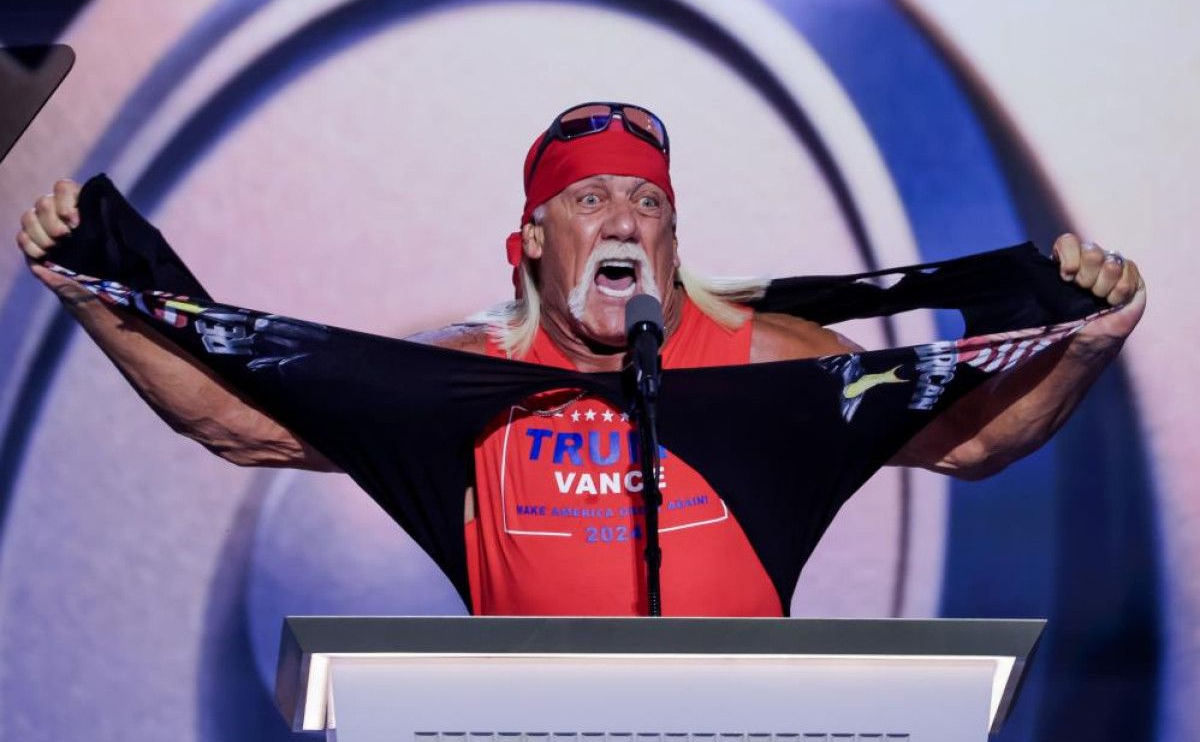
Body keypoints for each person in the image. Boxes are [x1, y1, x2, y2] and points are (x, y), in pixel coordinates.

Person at [14, 102, 1145, 616]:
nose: (624, 218)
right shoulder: (453, 385)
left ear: (672, 242)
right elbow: (238, 420)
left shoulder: (773, 363)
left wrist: (1087, 344)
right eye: (590, 198)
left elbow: (976, 441)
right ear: (530, 242)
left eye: (648, 203)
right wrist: (90, 292)